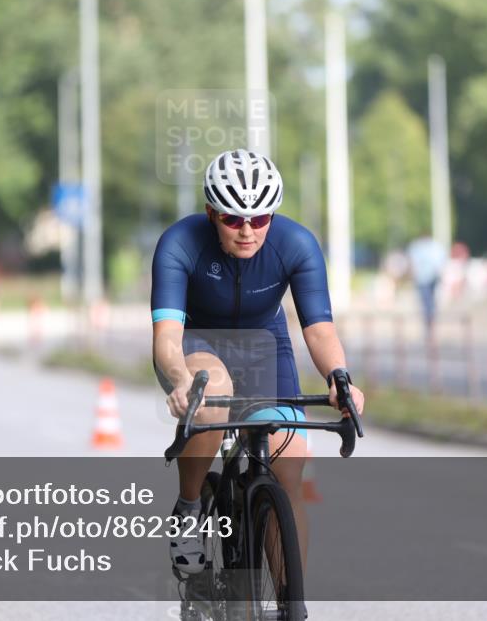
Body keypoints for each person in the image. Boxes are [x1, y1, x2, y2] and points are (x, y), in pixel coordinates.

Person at [150, 148, 366, 576]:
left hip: (265, 345)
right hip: (197, 344)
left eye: (260, 219)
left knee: (290, 464)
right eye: (233, 219)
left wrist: (340, 379)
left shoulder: (296, 244)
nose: (247, 231)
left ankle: (290, 605)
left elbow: (320, 330)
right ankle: (189, 507)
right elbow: (167, 338)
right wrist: (179, 379)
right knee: (211, 391)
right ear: (212, 213)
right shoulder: (179, 242)